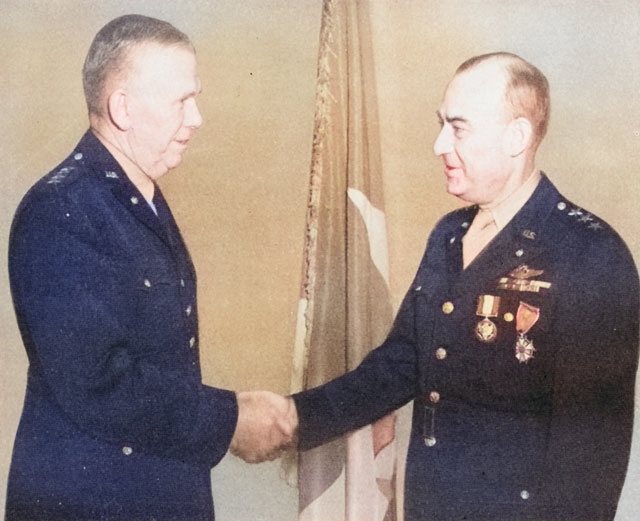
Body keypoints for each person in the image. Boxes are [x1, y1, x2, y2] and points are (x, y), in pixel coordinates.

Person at [284, 52, 639, 520]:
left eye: (458, 127)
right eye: (441, 125)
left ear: (516, 137)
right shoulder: (449, 235)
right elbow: (399, 366)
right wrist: (290, 419)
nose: (438, 145)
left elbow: (591, 459)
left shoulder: (589, 253)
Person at [6, 14, 294, 521]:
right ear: (123, 108)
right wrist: (230, 419)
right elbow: (99, 381)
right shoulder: (61, 209)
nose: (197, 117)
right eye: (182, 100)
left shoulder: (138, 198)